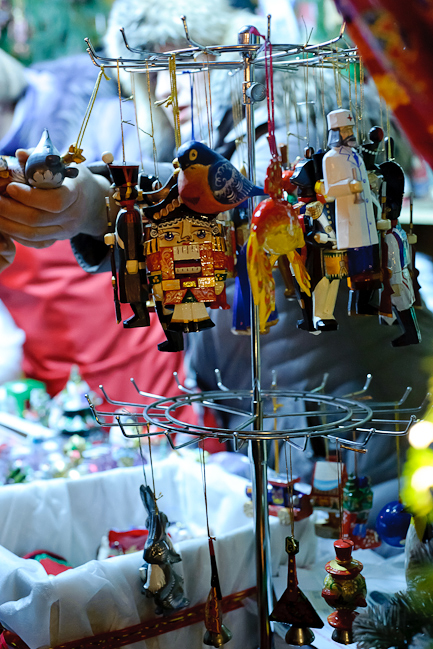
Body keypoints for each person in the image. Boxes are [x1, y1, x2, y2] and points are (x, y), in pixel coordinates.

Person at [0, 0, 431, 515]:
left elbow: (247, 211)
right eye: (152, 77)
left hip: (366, 418)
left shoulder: (290, 106)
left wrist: (101, 201)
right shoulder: (216, 136)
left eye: (179, 62)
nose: (168, 91)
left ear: (217, 47)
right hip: (289, 421)